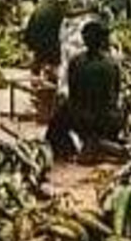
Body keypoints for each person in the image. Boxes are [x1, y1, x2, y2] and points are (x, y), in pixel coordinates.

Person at [46, 20, 124, 161]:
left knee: (58, 117)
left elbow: (73, 93)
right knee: (119, 109)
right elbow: (116, 93)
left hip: (83, 119)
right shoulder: (112, 64)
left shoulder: (76, 62)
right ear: (102, 40)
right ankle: (101, 141)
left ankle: (68, 150)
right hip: (107, 120)